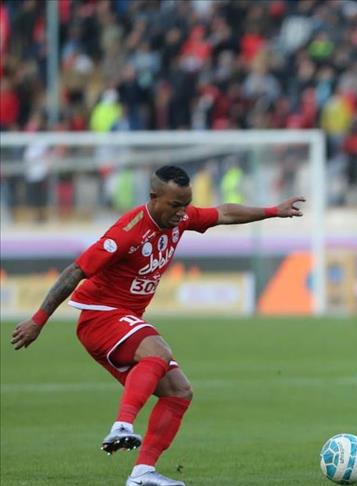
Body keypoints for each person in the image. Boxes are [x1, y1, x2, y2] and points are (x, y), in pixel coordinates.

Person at [10, 165, 305, 486]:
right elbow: (75, 271)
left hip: (125, 320)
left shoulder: (181, 218)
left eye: (186, 204)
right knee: (158, 351)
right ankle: (122, 426)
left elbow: (223, 213)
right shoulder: (127, 231)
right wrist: (38, 320)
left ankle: (142, 473)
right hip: (100, 316)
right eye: (175, 205)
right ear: (154, 197)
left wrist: (273, 211)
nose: (182, 212)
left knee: (179, 391)